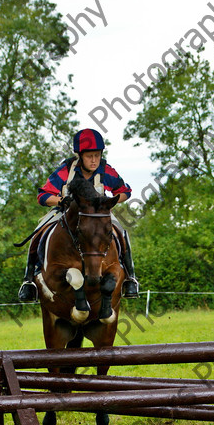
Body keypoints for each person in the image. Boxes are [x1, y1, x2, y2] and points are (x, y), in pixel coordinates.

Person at [18, 128, 139, 301]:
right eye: (90, 156)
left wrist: (107, 202)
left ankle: (130, 278)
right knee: (39, 230)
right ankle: (29, 280)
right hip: (66, 212)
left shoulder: (106, 170)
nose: (94, 160)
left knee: (121, 231)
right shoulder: (66, 169)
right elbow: (43, 195)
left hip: (98, 214)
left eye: (97, 155)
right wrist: (60, 201)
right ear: (80, 155)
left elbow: (125, 191)